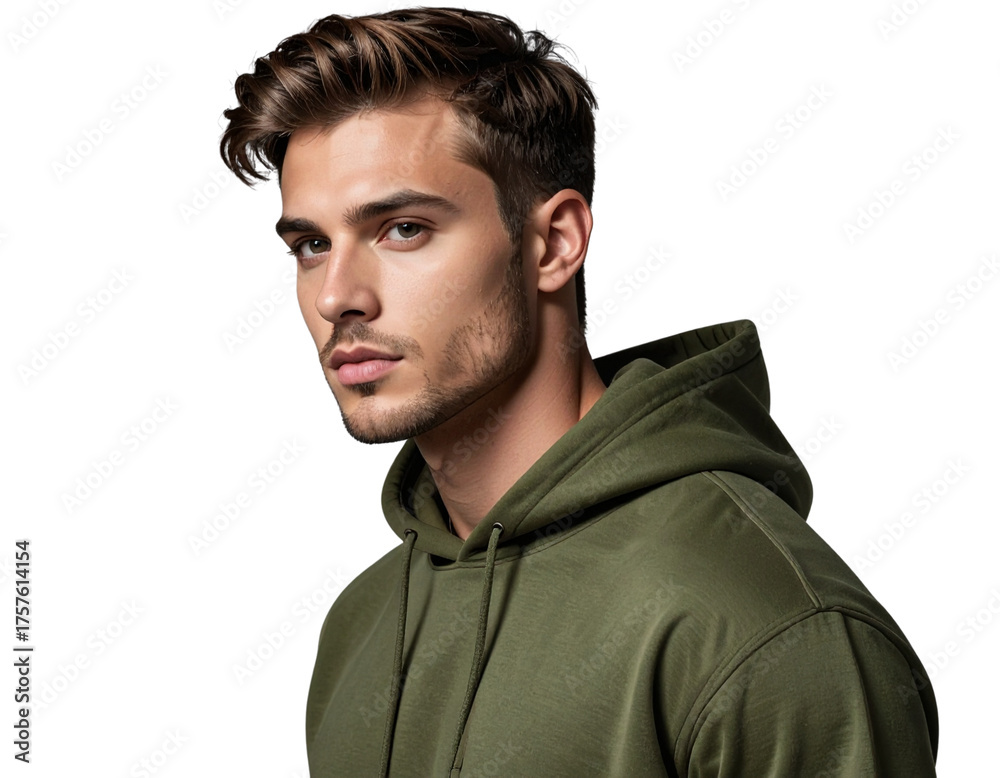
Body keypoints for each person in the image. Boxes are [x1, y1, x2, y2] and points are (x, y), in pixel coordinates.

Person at [220, 8, 938, 776]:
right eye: (311, 245)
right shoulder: (362, 625)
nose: (337, 296)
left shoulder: (761, 624)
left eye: (403, 229)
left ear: (554, 243)